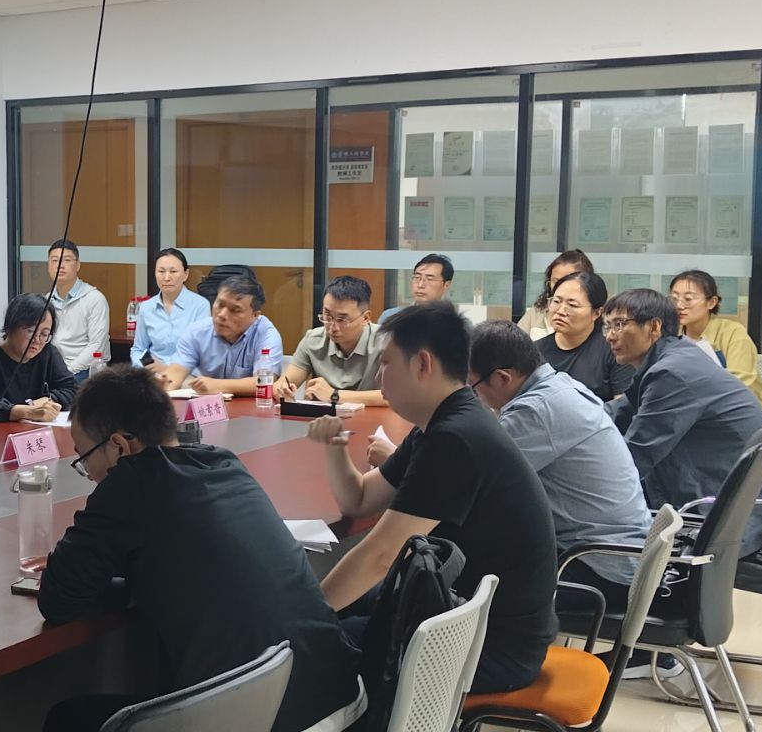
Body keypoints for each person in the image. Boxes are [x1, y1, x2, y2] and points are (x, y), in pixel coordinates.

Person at [38, 366, 365, 732]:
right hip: (348, 730)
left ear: (120, 446)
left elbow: (60, 597)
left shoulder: (131, 485)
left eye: (84, 459)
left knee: (72, 725)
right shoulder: (223, 464)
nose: (87, 473)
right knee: (187, 676)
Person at [311, 303, 557, 694]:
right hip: (458, 614)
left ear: (423, 364)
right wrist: (335, 447)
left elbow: (380, 556)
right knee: (343, 614)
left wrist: (305, 617)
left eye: (386, 363)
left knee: (316, 649)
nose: (379, 376)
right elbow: (359, 500)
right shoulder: (442, 423)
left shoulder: (455, 438)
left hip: (492, 647)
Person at [468, 322, 663, 678]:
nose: (474, 396)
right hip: (619, 554)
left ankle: (481, 675)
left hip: (597, 568)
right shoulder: (560, 387)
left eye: (473, 386)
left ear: (502, 378)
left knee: (468, 580)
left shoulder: (537, 410)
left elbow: (472, 478)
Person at [602, 288, 762, 557]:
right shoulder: (675, 356)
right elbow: (619, 411)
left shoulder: (671, 372)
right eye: (607, 326)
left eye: (620, 325)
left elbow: (635, 456)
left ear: (654, 327)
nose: (610, 336)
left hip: (724, 514)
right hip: (736, 500)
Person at [156, 271, 284, 396]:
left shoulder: (266, 335)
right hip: (208, 407)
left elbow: (265, 381)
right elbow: (175, 373)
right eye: (220, 304)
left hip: (252, 407)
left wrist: (219, 385)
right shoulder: (197, 332)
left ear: (255, 315)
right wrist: (162, 384)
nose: (222, 315)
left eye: (235, 310)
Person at [669, 270, 762, 416]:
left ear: (711, 302)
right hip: (691, 412)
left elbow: (740, 382)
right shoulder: (671, 335)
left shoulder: (733, 333)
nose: (679, 306)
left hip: (741, 413)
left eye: (688, 299)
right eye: (674, 299)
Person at [0, 293, 78, 424]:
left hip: (34, 432)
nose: (37, 340)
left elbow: (72, 389)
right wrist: (26, 411)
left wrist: (47, 401)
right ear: (11, 327)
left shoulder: (47, 353)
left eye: (44, 334)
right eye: (31, 331)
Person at [275, 275, 386, 406]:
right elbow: (282, 384)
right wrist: (283, 389)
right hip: (323, 417)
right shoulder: (313, 340)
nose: (332, 327)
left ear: (365, 318)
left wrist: (334, 395)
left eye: (342, 319)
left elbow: (395, 396)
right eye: (327, 315)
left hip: (370, 417)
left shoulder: (386, 342)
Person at [538, 269, 633, 402]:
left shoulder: (615, 349)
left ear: (597, 313)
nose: (560, 311)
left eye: (572, 305)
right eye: (556, 301)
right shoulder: (535, 351)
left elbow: (623, 407)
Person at [131, 247, 209, 367]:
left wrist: (167, 370)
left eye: (173, 271)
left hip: (186, 374)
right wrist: (147, 367)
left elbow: (203, 353)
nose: (166, 278)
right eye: (161, 271)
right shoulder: (146, 307)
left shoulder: (200, 306)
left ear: (186, 274)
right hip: (152, 373)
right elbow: (138, 349)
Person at [46, 239, 109, 379]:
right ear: (48, 266)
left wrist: (67, 371)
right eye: (54, 260)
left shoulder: (94, 299)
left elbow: (96, 345)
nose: (60, 265)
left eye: (67, 260)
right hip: (54, 370)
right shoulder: (46, 301)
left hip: (86, 370)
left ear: (78, 265)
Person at [519, 250, 595, 340]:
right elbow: (515, 343)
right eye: (556, 281)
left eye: (567, 281)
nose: (561, 287)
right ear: (548, 283)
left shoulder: (594, 314)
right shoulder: (536, 312)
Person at [379, 253, 453, 324]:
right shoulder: (391, 317)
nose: (420, 285)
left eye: (429, 279)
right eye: (417, 277)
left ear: (446, 285)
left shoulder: (452, 322)